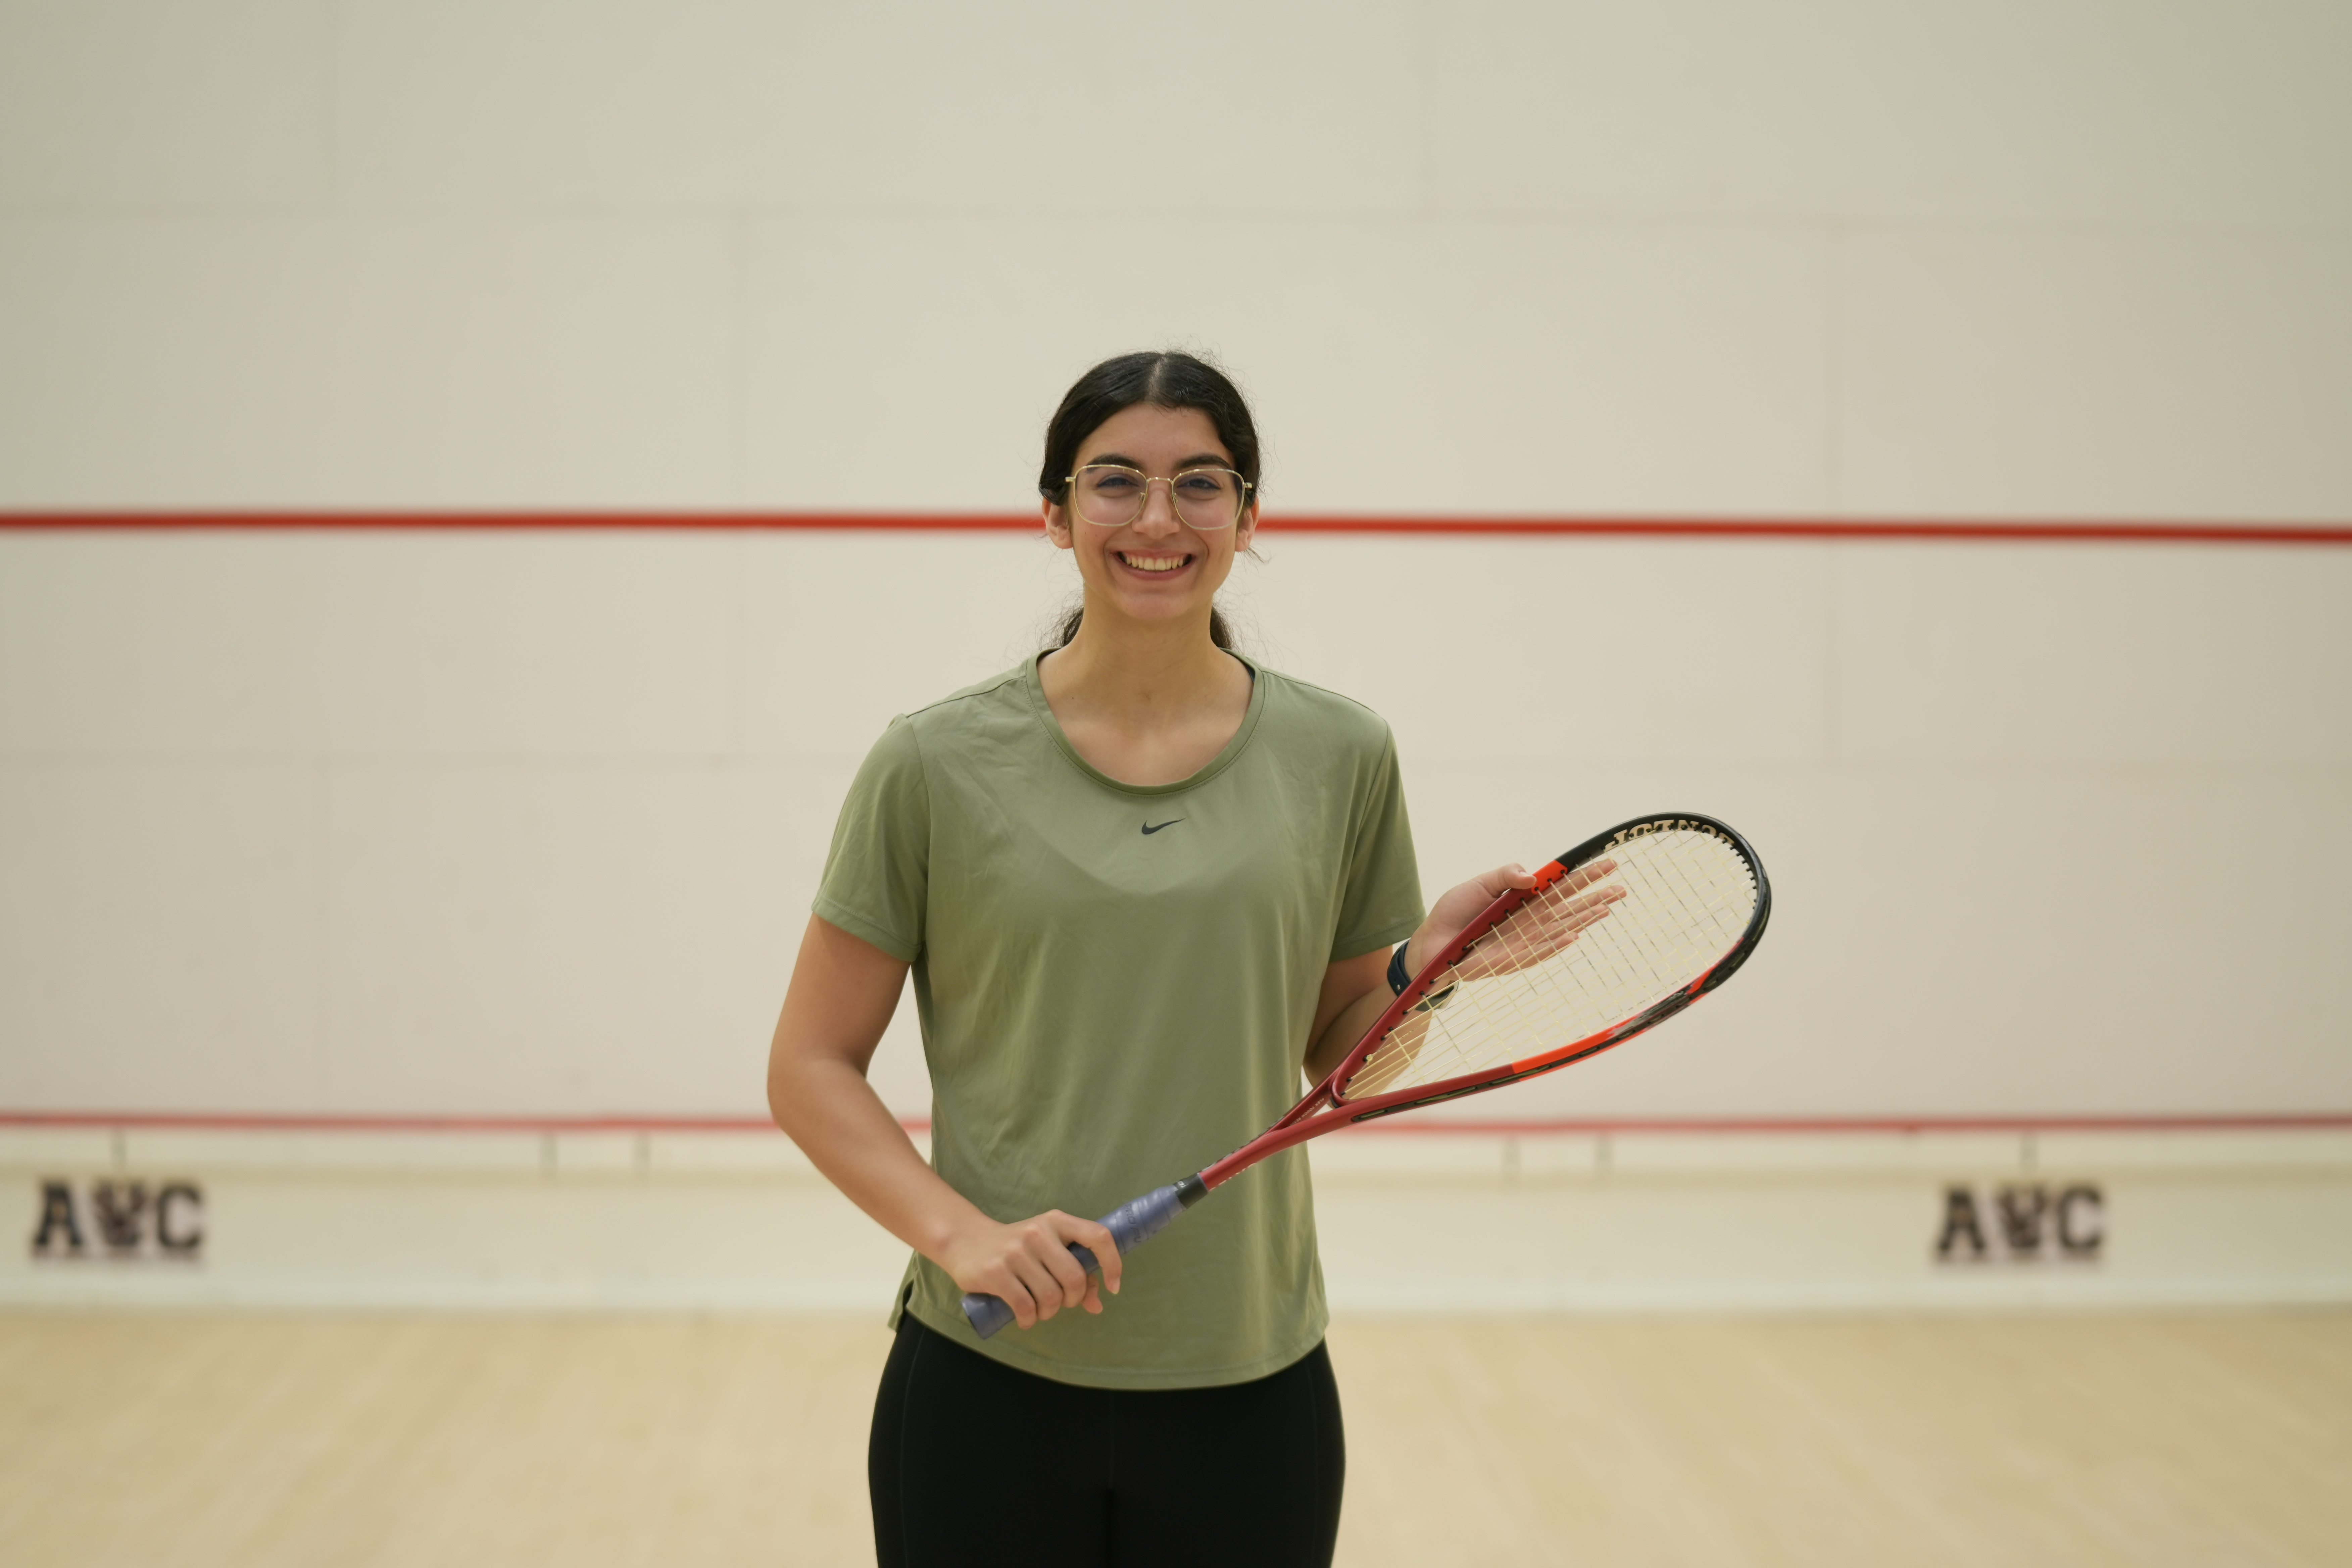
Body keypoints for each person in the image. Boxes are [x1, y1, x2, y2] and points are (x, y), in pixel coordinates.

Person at [766, 350, 1538, 1568]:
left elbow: (1338, 1063)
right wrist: (962, 1238)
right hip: (986, 1381)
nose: (1159, 519)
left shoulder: (1342, 754)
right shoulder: (933, 763)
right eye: (1117, 481)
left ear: (1249, 516)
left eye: (1201, 483)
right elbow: (810, 1066)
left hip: (1250, 1380)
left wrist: (1419, 975)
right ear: (1056, 513)